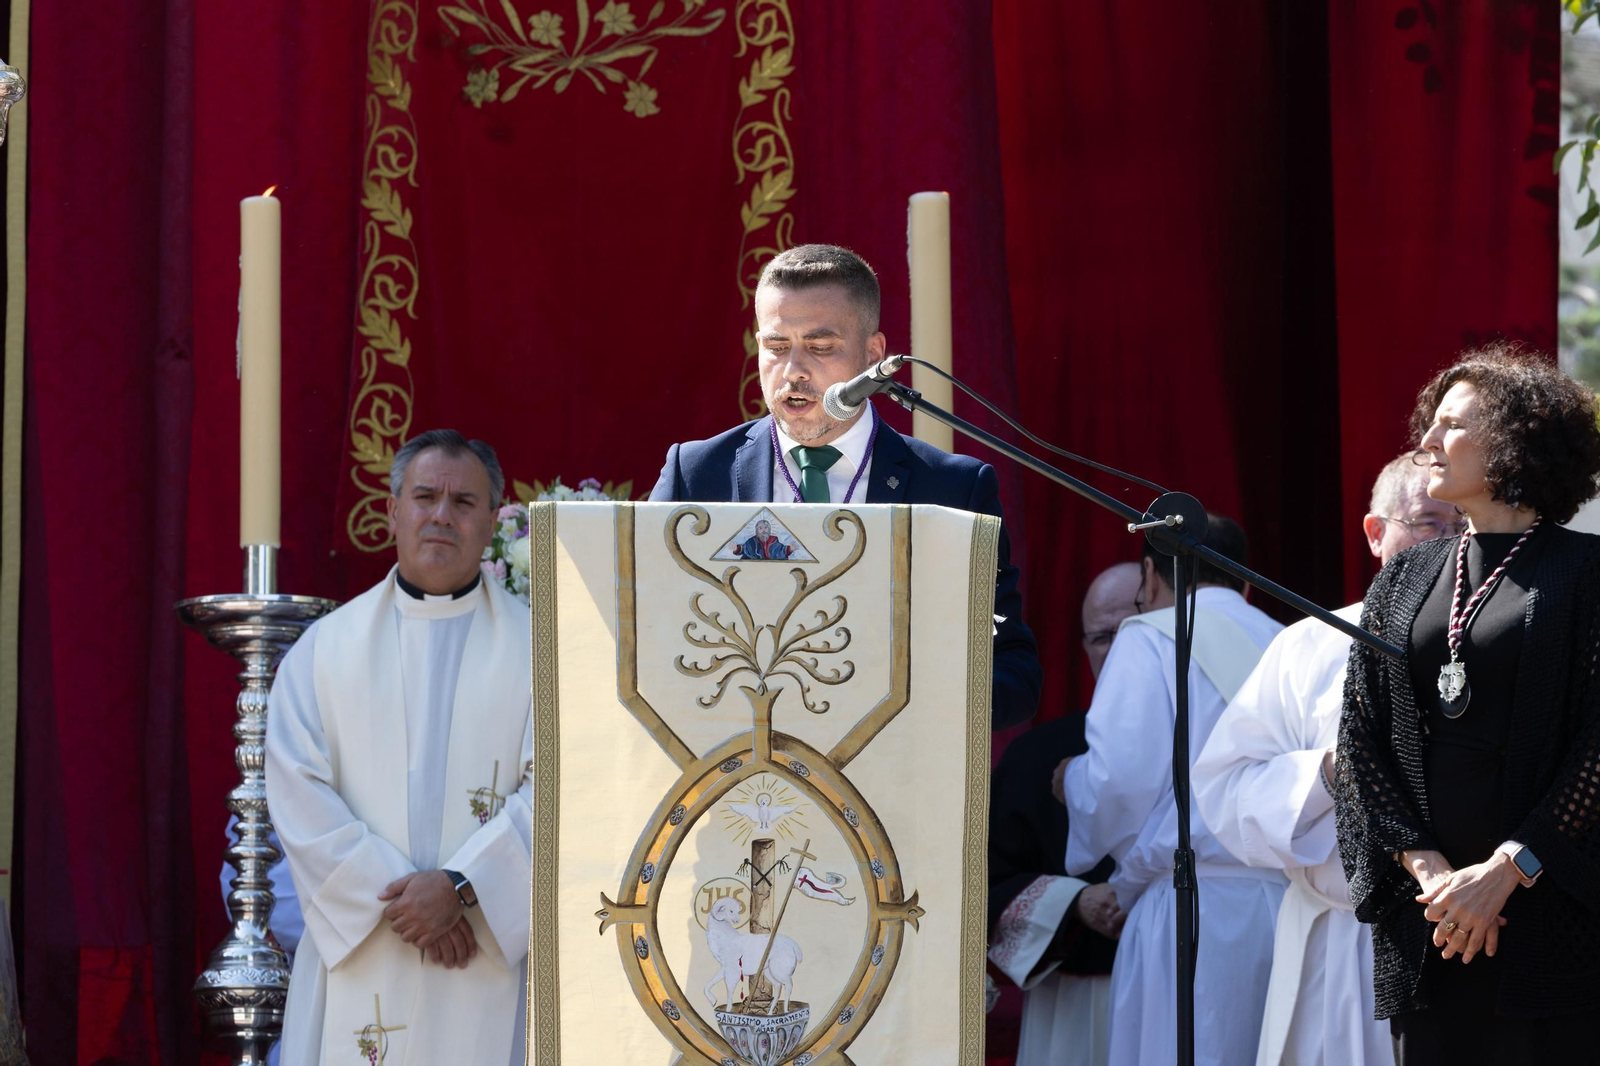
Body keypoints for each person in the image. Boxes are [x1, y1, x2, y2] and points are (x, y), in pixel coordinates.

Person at [1334, 345, 1600, 1064]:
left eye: (1452, 425)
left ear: (1517, 437)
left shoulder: (1587, 574)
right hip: (1434, 923)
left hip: (1552, 920)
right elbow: (1360, 739)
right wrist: (1433, 878)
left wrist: (1511, 869)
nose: (1426, 443)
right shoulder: (1406, 578)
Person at [647, 244, 1042, 728]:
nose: (792, 370)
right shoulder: (696, 472)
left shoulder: (952, 490)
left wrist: (907, 699)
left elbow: (1015, 674)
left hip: (891, 778)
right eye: (775, 347)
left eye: (819, 347)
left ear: (873, 354)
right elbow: (645, 634)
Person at [265, 429, 532, 1065]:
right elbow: (298, 791)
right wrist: (410, 903)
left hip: (485, 951)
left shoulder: (541, 651)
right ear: (393, 511)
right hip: (366, 946)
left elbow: (561, 783)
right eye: (426, 497)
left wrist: (464, 889)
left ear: (493, 520)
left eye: (464, 502)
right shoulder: (323, 653)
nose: (442, 515)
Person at [1193, 453, 1462, 1066]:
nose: (1448, 543)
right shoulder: (1311, 644)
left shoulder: (1507, 639)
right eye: (1427, 523)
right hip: (1343, 943)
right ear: (1376, 533)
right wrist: (1333, 770)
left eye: (1461, 524)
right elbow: (1226, 789)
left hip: (1470, 936)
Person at [1060, 517, 1286, 1066]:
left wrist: (1070, 781)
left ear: (1149, 576)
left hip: (1186, 906)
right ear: (1245, 582)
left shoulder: (1150, 634)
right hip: (1282, 908)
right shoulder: (1285, 640)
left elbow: (1120, 777)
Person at [988, 562, 1142, 1066]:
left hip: (1193, 985)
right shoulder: (1037, 756)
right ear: (1084, 649)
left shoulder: (1222, 739)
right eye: (1102, 637)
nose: (1120, 650)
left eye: (1135, 630)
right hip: (1073, 1006)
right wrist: (1073, 901)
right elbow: (982, 885)